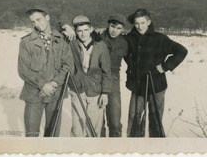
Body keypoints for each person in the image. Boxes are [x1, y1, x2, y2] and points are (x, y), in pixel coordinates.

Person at [124, 8, 188, 137]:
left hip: (157, 86)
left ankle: (157, 148)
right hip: (137, 86)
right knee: (133, 118)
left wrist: (165, 66)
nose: (139, 26)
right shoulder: (129, 38)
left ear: (149, 22)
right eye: (136, 23)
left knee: (155, 119)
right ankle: (133, 147)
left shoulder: (160, 38)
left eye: (142, 23)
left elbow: (181, 51)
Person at [18, 6, 74, 137]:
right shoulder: (26, 42)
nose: (36, 24)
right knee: (31, 135)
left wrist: (54, 83)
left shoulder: (61, 39)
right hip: (34, 94)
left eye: (39, 19)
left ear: (47, 17)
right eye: (33, 22)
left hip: (55, 94)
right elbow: (23, 70)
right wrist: (43, 85)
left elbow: (68, 66)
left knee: (53, 135)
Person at [68, 15, 112, 137]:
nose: (83, 34)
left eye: (86, 30)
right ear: (75, 32)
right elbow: (56, 32)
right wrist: (64, 26)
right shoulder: (71, 44)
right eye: (79, 31)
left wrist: (105, 93)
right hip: (77, 90)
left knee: (93, 129)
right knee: (76, 128)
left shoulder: (101, 46)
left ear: (91, 29)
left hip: (96, 91)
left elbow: (107, 72)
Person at [100, 14, 128, 137]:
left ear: (122, 29)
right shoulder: (98, 38)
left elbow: (133, 60)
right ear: (108, 25)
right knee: (98, 123)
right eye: (112, 26)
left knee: (115, 123)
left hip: (114, 81)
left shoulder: (124, 43)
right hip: (97, 80)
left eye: (118, 28)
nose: (114, 30)